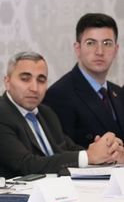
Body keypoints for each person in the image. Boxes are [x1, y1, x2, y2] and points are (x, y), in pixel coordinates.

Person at [0, 52, 124, 181]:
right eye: (25, 79)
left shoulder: (46, 113)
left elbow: (70, 149)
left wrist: (107, 153)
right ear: (7, 82)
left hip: (53, 195)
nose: (34, 88)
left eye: (41, 80)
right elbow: (28, 165)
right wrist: (89, 156)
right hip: (11, 201)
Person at [44, 13, 124, 148]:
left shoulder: (119, 93)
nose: (100, 51)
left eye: (107, 43)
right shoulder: (58, 95)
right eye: (91, 43)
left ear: (116, 50)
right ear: (77, 49)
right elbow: (62, 153)